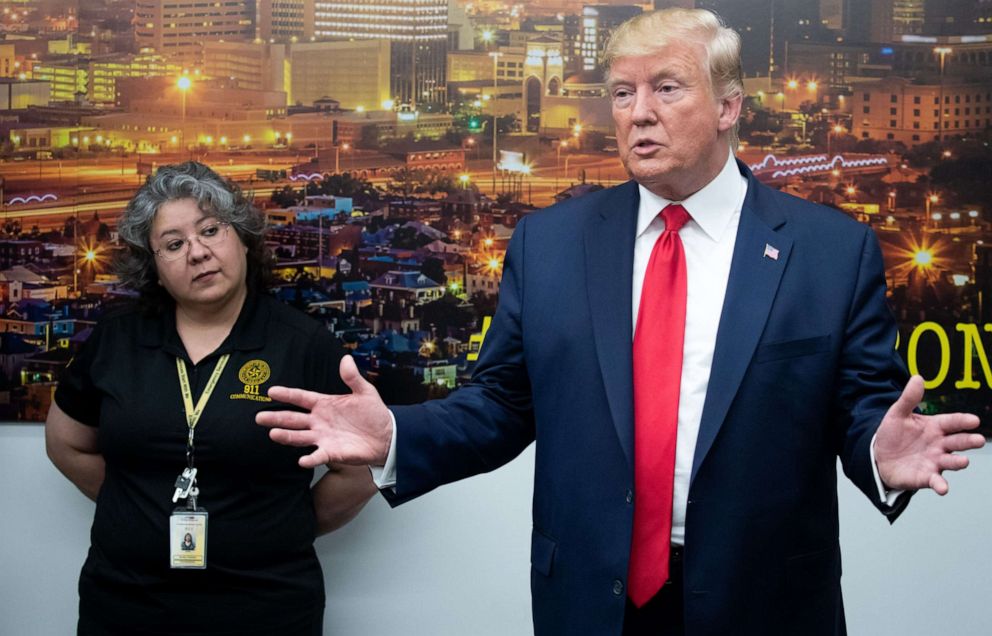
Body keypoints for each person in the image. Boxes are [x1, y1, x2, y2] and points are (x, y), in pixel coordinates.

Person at [257, 9, 984, 636]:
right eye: (622, 93)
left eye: (667, 89)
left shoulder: (829, 251)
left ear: (730, 106)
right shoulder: (550, 245)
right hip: (592, 601)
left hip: (764, 601)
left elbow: (863, 412)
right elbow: (502, 404)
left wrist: (878, 458)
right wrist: (395, 438)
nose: (638, 112)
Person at [45, 161, 376, 636]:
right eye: (173, 245)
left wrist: (279, 527)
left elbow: (358, 470)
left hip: (266, 606)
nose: (197, 253)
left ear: (241, 238)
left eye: (211, 230)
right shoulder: (116, 341)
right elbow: (66, 444)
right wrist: (137, 506)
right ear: (155, 268)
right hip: (125, 604)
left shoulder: (305, 345)